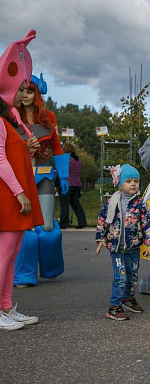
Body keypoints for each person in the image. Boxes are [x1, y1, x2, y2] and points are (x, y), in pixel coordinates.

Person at [0, 30, 43, 331]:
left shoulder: (8, 122)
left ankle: (5, 308)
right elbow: (0, 161)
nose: (23, 93)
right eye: (20, 88)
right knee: (3, 255)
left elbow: (12, 157)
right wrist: (20, 193)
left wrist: (26, 149)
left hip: (14, 196)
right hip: (7, 197)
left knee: (12, 254)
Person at [14, 73, 70, 287]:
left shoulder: (48, 118)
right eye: (23, 90)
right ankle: (25, 275)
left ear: (37, 94)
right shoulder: (10, 118)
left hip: (45, 174)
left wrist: (63, 175)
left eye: (30, 91)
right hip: (22, 175)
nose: (26, 95)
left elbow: (56, 146)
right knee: (26, 228)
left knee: (46, 227)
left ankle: (51, 268)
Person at [96, 164, 150, 321]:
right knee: (120, 277)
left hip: (133, 247)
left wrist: (149, 244)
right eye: (129, 181)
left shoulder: (141, 204)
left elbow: (147, 224)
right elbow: (102, 221)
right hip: (116, 247)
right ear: (120, 184)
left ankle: (127, 298)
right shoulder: (112, 202)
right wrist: (101, 239)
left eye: (136, 181)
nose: (133, 184)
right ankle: (114, 307)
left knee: (132, 276)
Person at [59, 143, 87, 229]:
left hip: (66, 184)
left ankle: (64, 223)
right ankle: (82, 222)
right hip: (76, 184)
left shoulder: (66, 159)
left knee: (64, 205)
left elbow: (61, 171)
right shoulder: (77, 160)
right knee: (76, 204)